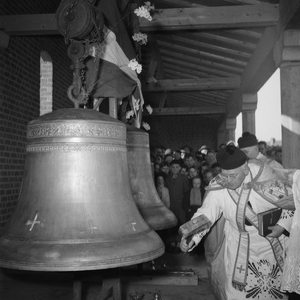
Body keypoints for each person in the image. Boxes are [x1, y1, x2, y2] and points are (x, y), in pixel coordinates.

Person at [180, 145, 294, 300]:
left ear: (245, 170)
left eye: (232, 176)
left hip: (270, 246)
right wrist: (192, 236)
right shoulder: (218, 185)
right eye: (224, 175)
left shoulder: (266, 177)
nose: (226, 180)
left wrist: (282, 225)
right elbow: (206, 214)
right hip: (238, 248)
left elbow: (293, 203)